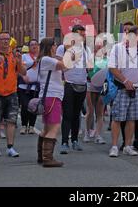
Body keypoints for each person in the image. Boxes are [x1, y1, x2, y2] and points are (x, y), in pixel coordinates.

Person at [108, 26, 138, 157]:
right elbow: (112, 68)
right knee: (117, 118)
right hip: (121, 87)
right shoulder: (118, 48)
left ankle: (127, 145)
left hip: (136, 88)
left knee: (131, 118)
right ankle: (114, 146)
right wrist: (125, 81)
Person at [0, 31, 26, 158]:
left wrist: (19, 62)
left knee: (11, 122)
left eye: (7, 39)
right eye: (3, 39)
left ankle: (10, 147)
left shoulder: (14, 54)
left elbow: (23, 73)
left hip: (12, 93)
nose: (6, 41)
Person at [57, 25, 91, 154]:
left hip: (82, 83)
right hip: (68, 83)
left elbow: (88, 67)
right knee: (67, 114)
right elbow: (59, 65)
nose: (81, 36)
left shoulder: (86, 49)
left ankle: (75, 140)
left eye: (83, 34)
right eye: (79, 34)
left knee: (77, 114)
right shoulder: (62, 47)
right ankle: (64, 142)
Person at [36, 38, 66, 167]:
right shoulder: (47, 60)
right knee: (54, 127)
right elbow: (64, 65)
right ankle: (48, 158)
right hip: (52, 96)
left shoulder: (45, 60)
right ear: (49, 47)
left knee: (47, 128)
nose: (56, 47)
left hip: (49, 96)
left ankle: (42, 156)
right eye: (54, 45)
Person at [83, 39, 107, 145]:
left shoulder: (108, 58)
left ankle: (98, 135)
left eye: (101, 45)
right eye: (97, 45)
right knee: (90, 110)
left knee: (100, 112)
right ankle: (87, 133)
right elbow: (88, 70)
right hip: (91, 84)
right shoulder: (91, 57)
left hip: (102, 86)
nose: (99, 47)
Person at [19, 39, 40, 135]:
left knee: (34, 106)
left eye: (36, 44)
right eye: (32, 44)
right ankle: (24, 125)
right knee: (25, 105)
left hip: (36, 87)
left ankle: (31, 126)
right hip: (24, 86)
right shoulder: (24, 56)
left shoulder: (41, 58)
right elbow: (19, 68)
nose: (34, 46)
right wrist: (23, 76)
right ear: (29, 47)